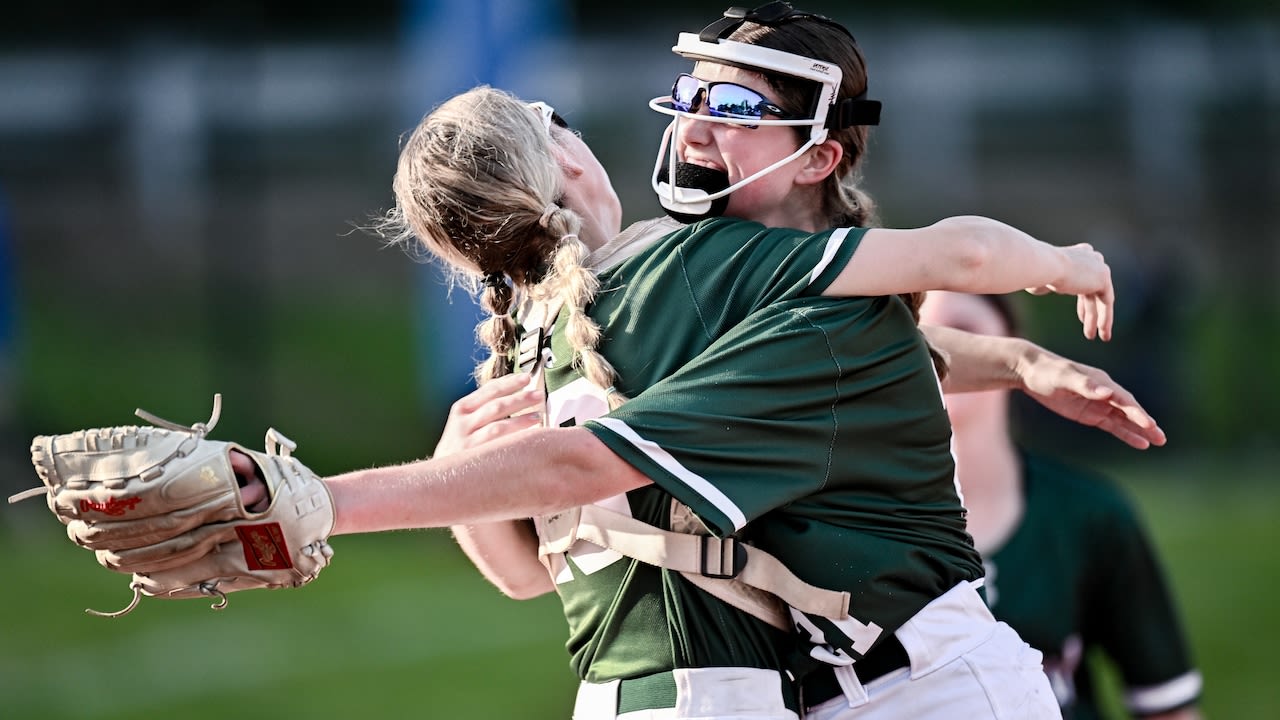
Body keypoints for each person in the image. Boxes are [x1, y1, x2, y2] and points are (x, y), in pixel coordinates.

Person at [248, 5, 1155, 719]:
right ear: (560, 160)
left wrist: (1021, 356)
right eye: (693, 99)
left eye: (730, 107)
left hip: (906, 683)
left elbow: (855, 345)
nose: (693, 125)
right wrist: (1059, 281)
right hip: (793, 687)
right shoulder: (690, 269)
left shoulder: (561, 321)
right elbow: (882, 308)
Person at [918, 291, 1202, 720]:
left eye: (964, 332)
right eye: (918, 335)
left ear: (1012, 345)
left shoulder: (1090, 515)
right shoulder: (841, 525)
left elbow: (1167, 707)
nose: (943, 355)